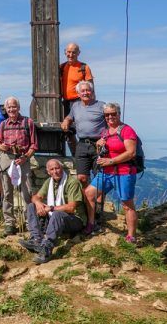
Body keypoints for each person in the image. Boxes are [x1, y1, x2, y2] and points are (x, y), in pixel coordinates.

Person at [84, 102, 139, 243]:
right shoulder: (105, 132)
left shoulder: (127, 130)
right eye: (107, 114)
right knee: (89, 193)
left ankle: (131, 236)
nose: (110, 117)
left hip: (124, 172)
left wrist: (111, 161)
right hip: (106, 172)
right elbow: (102, 154)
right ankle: (92, 223)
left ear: (119, 114)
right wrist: (98, 146)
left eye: (113, 114)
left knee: (127, 204)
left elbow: (131, 153)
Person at [18, 159, 87, 264]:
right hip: (58, 217)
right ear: (48, 172)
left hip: (75, 220)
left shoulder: (72, 182)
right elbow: (36, 197)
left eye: (57, 168)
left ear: (62, 168)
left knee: (57, 213)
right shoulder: (49, 181)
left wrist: (50, 208)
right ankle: (36, 240)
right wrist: (38, 203)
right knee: (32, 206)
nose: (55, 171)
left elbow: (71, 208)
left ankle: (47, 249)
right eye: (52, 169)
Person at [60, 80, 105, 231]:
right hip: (82, 145)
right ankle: (89, 204)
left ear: (92, 91)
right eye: (82, 91)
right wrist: (66, 121)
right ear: (78, 94)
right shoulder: (76, 106)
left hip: (98, 145)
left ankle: (97, 213)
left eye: (88, 90)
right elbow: (69, 117)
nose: (85, 93)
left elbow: (111, 124)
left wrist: (104, 138)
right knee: (82, 178)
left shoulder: (101, 106)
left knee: (99, 179)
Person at [0, 96, 37, 236]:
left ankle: (29, 222)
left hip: (23, 159)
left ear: (18, 107)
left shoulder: (27, 122)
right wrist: (3, 147)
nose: (11, 109)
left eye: (14, 106)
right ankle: (9, 223)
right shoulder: (3, 125)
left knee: (26, 192)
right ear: (5, 109)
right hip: (7, 160)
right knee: (7, 192)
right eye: (9, 107)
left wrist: (25, 157)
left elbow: (34, 145)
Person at [60, 43, 94, 155]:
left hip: (79, 102)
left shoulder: (84, 67)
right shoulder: (62, 67)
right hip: (65, 102)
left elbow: (91, 87)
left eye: (74, 52)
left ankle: (86, 154)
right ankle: (77, 156)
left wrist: (91, 104)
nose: (71, 54)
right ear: (65, 52)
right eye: (69, 52)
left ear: (78, 53)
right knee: (67, 131)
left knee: (83, 128)